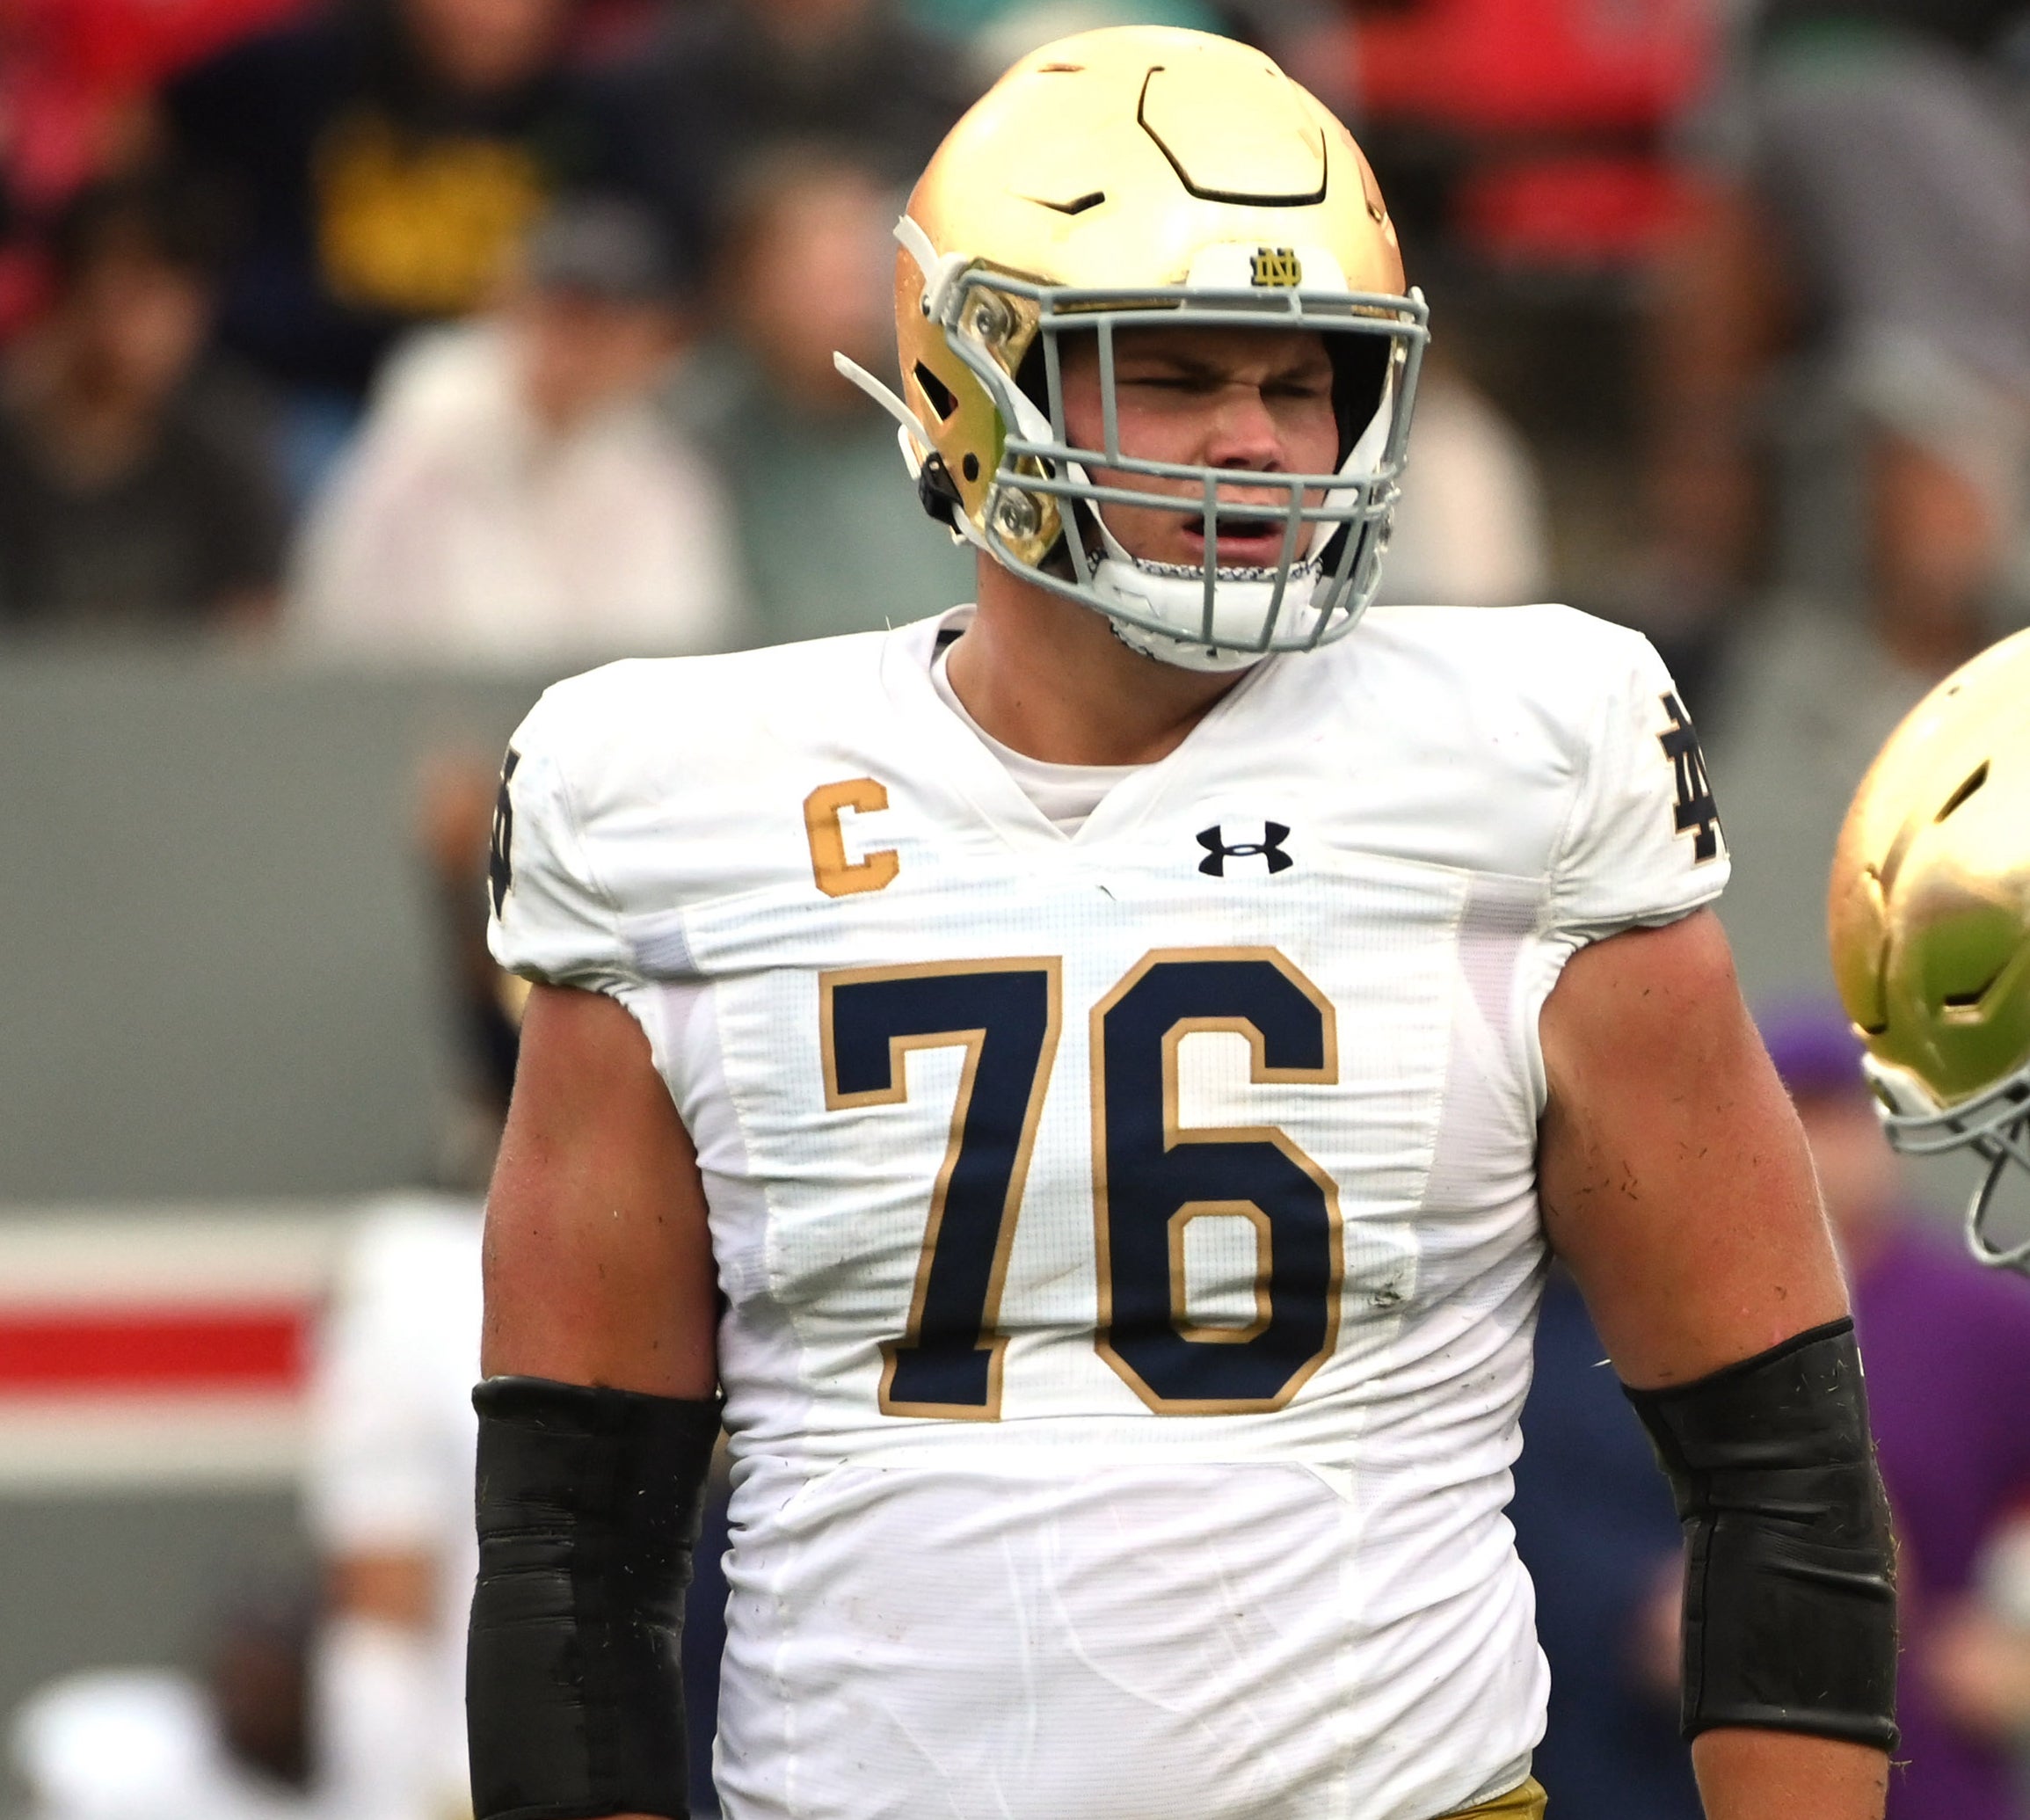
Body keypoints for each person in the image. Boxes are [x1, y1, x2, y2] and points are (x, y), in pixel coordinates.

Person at [471, 27, 1897, 1820]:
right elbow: (571, 1544)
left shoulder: (1523, 761)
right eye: (1171, 375)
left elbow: (1775, 1460)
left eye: (1300, 385)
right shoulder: (672, 798)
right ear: (969, 384)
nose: (1252, 442)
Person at [1763, 1002, 2030, 1819]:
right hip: (1756, 1759)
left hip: (1939, 1768)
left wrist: (2017, 1645)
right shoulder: (1706, 1326)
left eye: (1834, 1117)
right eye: (1789, 1117)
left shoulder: (1980, 1318)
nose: (1815, 1147)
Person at [289, 196, 745, 666]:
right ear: (510, 304)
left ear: (651, 340)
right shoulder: (420, 437)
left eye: (605, 322)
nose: (576, 346)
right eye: (562, 313)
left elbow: (683, 646)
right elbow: (341, 627)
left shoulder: (660, 474)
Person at [670, 146, 971, 644]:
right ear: (748, 284)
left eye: (860, 259)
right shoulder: (691, 434)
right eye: (816, 266)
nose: (849, 292)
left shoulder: (947, 413)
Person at [0, 171, 287, 635]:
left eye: (171, 291)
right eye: (128, 288)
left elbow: (252, 628)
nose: (148, 324)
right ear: (71, 294)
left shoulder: (227, 444)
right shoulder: (13, 445)